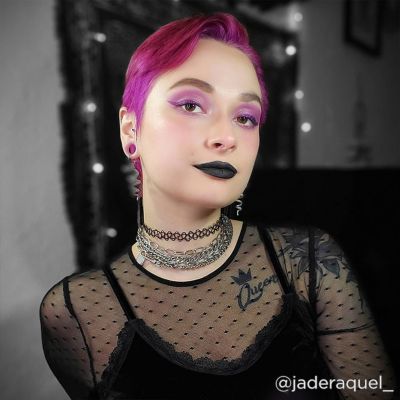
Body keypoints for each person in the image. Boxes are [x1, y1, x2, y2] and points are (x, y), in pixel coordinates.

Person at [39, 12, 398, 400]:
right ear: (131, 129)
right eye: (191, 105)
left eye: (245, 117)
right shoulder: (74, 310)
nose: (227, 136)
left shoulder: (310, 262)